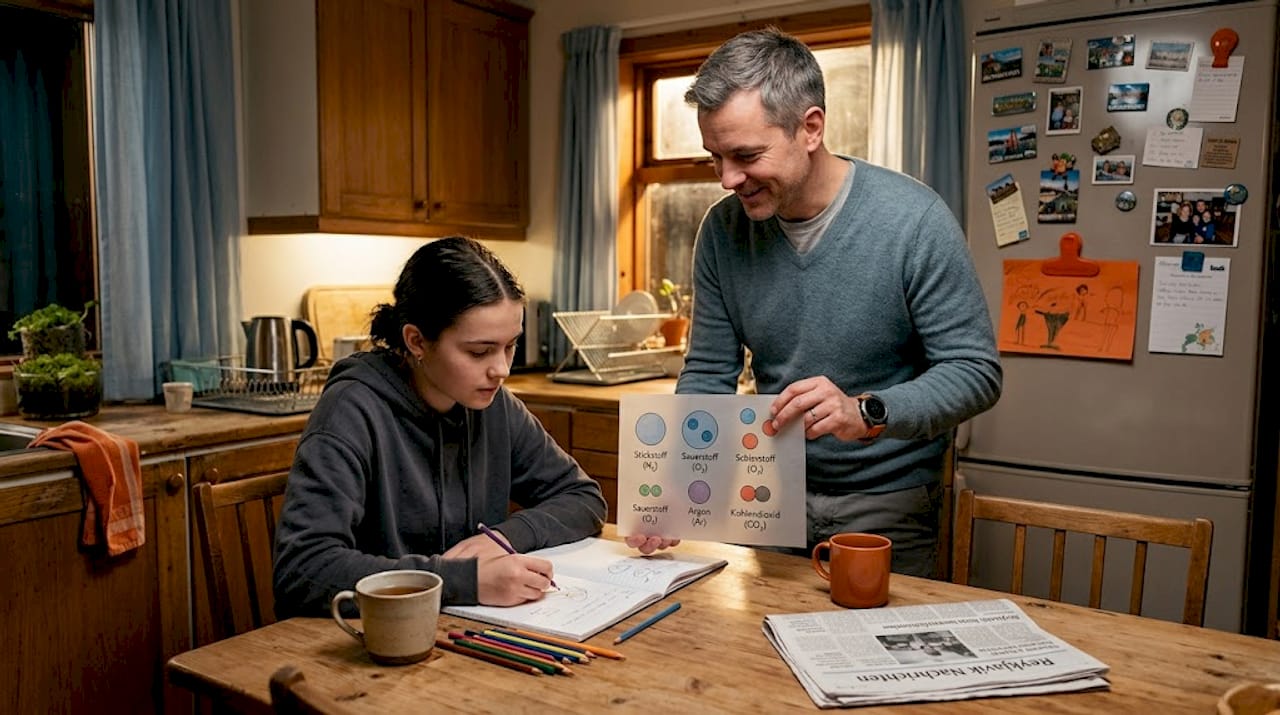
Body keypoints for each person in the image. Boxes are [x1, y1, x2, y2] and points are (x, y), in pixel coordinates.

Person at [677, 28, 1002, 577]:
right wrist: (678, 492)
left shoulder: (913, 220)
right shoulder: (722, 231)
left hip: (887, 500)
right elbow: (709, 373)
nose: (728, 179)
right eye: (715, 158)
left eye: (746, 155)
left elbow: (975, 372)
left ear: (810, 128)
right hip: (768, 492)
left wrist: (866, 411)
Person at [273, 236, 611, 616]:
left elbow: (583, 498)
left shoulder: (494, 405)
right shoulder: (351, 412)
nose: (501, 369)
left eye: (510, 346)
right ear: (417, 341)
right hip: (371, 646)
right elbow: (302, 570)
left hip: (459, 633)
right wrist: (462, 581)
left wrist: (505, 537)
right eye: (479, 351)